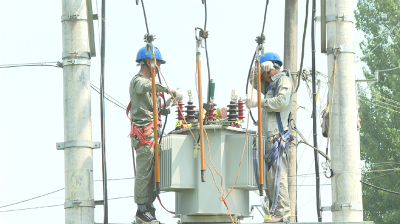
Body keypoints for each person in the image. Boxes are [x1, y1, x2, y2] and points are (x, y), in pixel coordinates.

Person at [129, 46, 183, 224]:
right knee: (144, 174)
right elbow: (147, 87)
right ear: (148, 61)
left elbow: (155, 106)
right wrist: (168, 90)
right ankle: (141, 210)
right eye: (157, 62)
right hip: (144, 136)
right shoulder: (138, 81)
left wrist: (168, 101)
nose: (159, 66)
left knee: (154, 176)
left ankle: (149, 211)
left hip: (154, 135)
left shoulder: (151, 86)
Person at [245, 52, 293, 223]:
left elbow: (281, 102)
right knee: (269, 180)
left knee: (277, 176)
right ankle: (275, 212)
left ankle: (282, 213)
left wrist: (260, 103)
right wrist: (256, 71)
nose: (262, 78)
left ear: (271, 68)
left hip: (276, 137)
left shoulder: (283, 81)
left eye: (264, 72)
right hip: (267, 138)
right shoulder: (269, 85)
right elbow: (252, 83)